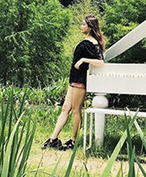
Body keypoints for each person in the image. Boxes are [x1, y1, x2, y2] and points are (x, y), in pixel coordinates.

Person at [43, 15, 105, 150]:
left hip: (80, 80)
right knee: (65, 108)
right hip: (74, 79)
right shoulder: (86, 41)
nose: (81, 26)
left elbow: (100, 62)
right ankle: (53, 138)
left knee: (76, 110)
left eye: (83, 24)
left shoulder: (92, 43)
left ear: (90, 27)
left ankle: (73, 140)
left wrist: (84, 60)